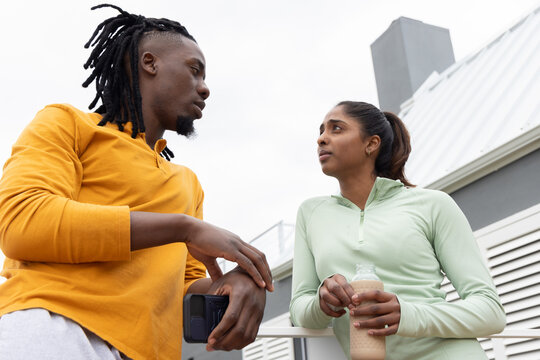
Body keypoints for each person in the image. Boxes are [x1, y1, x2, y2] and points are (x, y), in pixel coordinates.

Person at [0, 4, 273, 360]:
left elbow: (185, 290)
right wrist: (184, 228)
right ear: (150, 63)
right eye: (195, 71)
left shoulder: (188, 183)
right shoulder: (68, 123)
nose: (205, 89)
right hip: (54, 328)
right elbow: (23, 222)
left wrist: (237, 283)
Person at [289, 101, 506, 359]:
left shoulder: (433, 205)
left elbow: (490, 312)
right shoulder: (311, 214)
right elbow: (299, 309)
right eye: (321, 131)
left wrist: (407, 314)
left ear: (371, 143)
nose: (322, 139)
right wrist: (321, 302)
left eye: (336, 129)